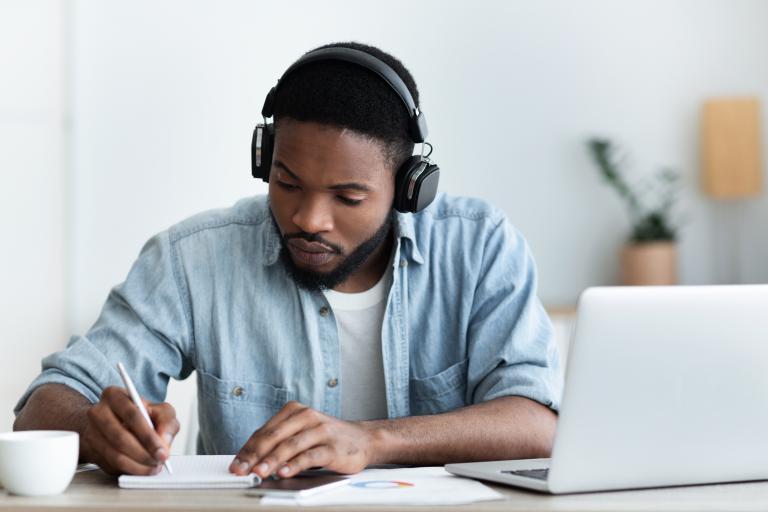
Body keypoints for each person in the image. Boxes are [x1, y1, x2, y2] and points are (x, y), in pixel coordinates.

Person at [13, 42, 562, 480]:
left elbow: (536, 424)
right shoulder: (192, 258)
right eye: (287, 183)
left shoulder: (480, 247)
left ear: (407, 189)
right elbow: (42, 406)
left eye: (348, 197)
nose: (308, 218)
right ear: (264, 161)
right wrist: (95, 427)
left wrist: (371, 441)